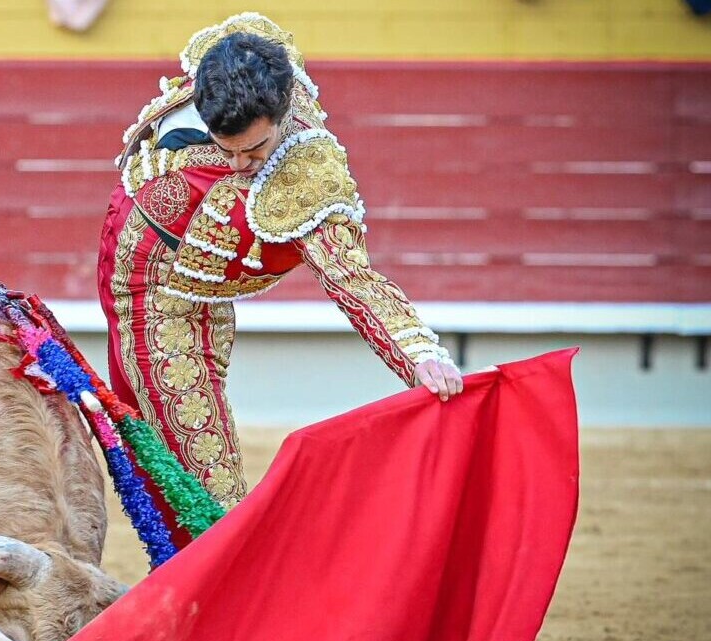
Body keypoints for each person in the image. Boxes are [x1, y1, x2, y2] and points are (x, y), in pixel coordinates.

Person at [97, 13, 464, 515]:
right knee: (199, 490)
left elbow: (350, 277)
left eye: (254, 150)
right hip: (151, 294)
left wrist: (420, 354)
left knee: (197, 486)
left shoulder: (306, 177)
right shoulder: (240, 64)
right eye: (227, 150)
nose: (238, 166)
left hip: (196, 277)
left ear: (285, 110)